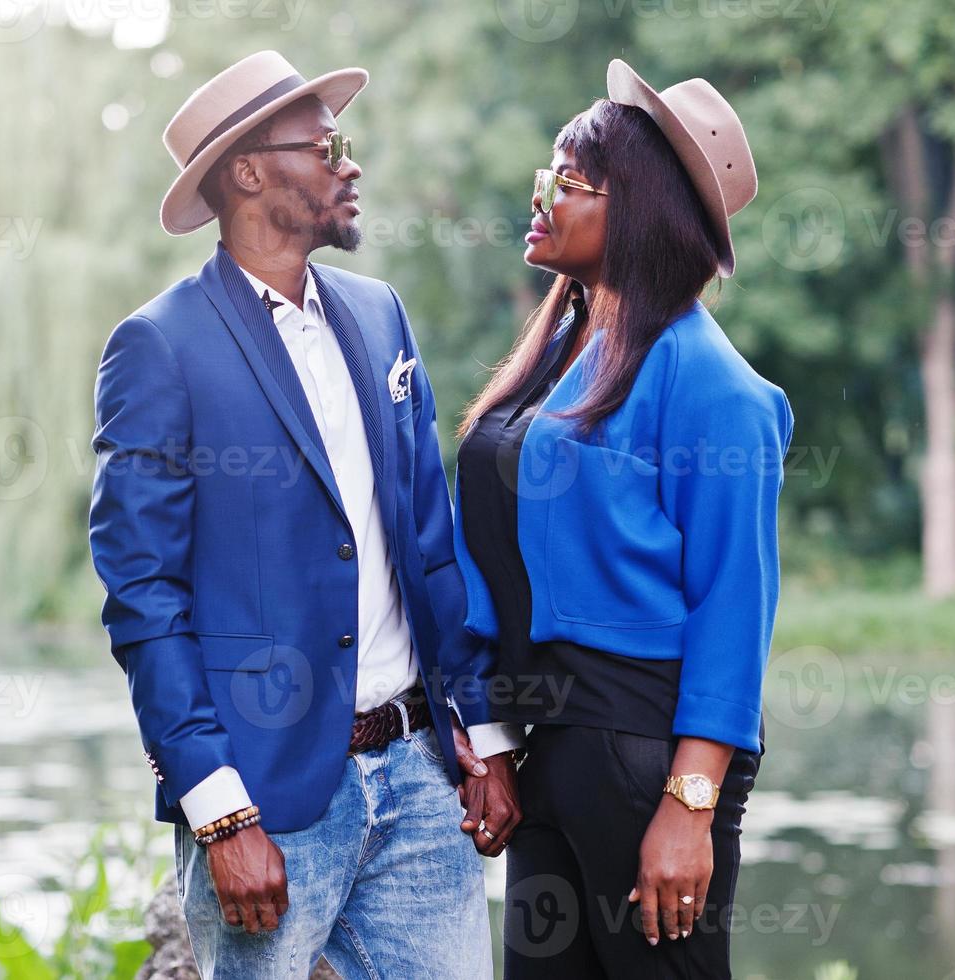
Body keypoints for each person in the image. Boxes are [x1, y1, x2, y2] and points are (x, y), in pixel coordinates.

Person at [87, 50, 522, 980]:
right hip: (270, 797)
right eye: (328, 146)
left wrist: (480, 735)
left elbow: (429, 541)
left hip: (418, 777)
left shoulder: (379, 316)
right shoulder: (158, 348)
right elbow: (143, 598)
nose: (348, 164)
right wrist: (218, 810)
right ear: (248, 172)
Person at [453, 59, 794, 977]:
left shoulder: (715, 387)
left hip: (646, 758)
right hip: (549, 750)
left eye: (566, 182)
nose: (541, 197)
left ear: (636, 209)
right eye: (544, 177)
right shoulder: (566, 352)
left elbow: (734, 607)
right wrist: (486, 731)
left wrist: (688, 808)